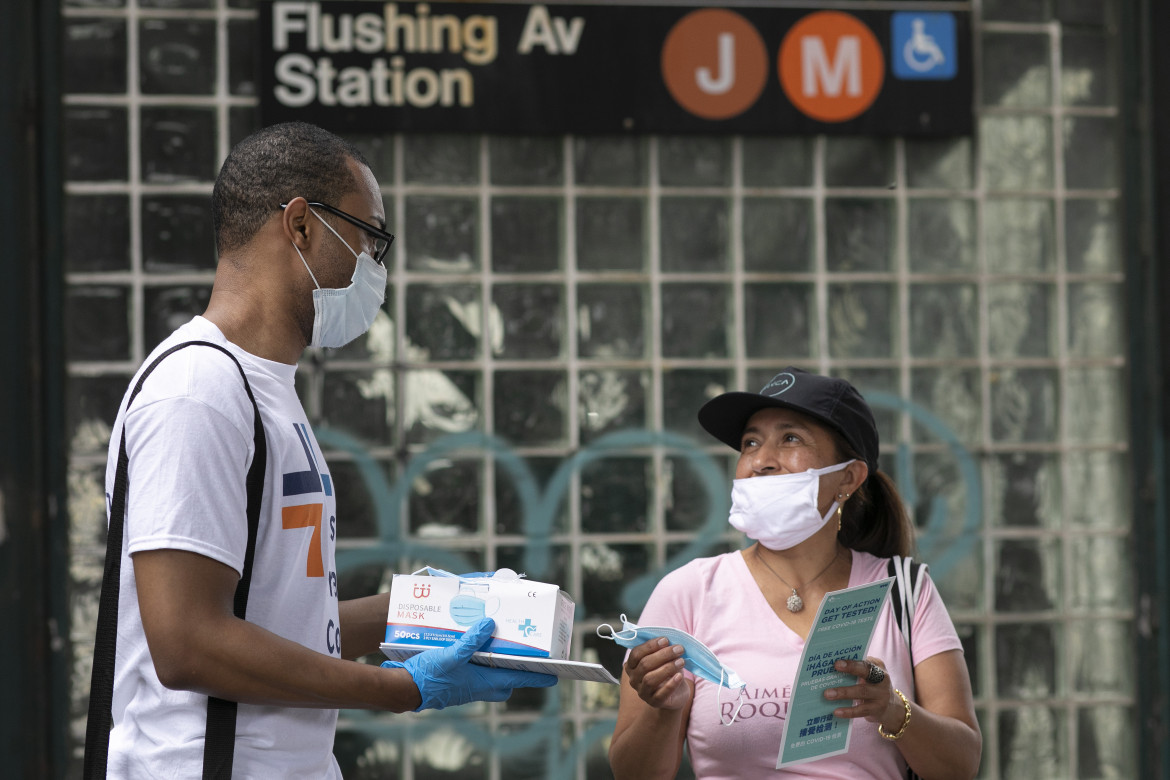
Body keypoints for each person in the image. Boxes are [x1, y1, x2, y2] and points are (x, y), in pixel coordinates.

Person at [89, 121, 556, 778]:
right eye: (371, 238)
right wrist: (399, 688)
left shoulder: (265, 389)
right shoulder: (197, 391)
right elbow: (188, 643)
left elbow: (277, 617)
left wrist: (431, 610)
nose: (376, 266)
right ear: (301, 226)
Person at [608, 368, 981, 779]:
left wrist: (892, 709)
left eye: (791, 438)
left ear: (848, 478)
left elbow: (961, 765)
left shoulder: (905, 590)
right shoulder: (690, 591)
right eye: (751, 442)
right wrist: (665, 710)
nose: (761, 461)